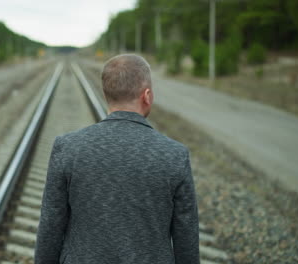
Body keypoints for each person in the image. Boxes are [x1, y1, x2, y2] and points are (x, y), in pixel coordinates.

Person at [35, 54, 199, 264]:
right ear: (147, 96)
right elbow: (186, 240)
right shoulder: (175, 154)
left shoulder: (67, 147)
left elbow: (51, 226)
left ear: (106, 94)